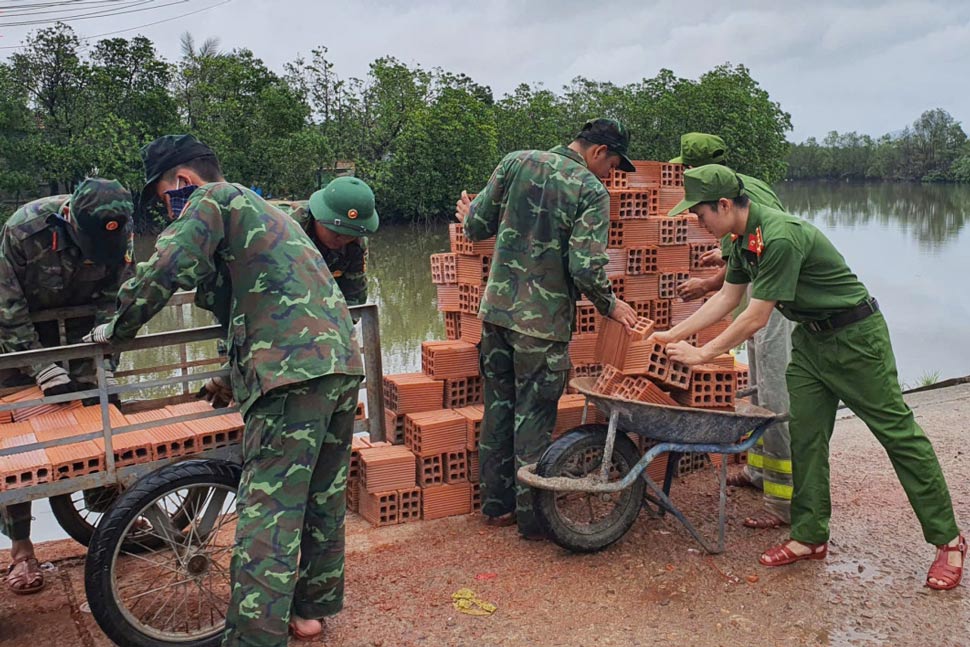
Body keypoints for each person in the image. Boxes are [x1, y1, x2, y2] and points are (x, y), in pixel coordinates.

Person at [84, 134, 365, 644]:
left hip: (290, 373)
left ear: (182, 182)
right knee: (322, 496)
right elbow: (237, 291)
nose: (165, 210)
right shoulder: (267, 209)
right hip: (340, 363)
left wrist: (114, 331)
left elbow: (165, 269)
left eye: (161, 197)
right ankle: (309, 612)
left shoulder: (210, 200)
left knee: (269, 511)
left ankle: (255, 638)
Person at [652, 164, 964, 590]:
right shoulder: (743, 241)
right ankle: (810, 536)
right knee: (807, 436)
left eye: (701, 214)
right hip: (812, 345)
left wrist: (704, 352)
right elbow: (728, 296)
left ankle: (948, 539)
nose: (699, 223)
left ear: (724, 205)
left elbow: (756, 317)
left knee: (898, 435)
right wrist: (673, 333)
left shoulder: (779, 236)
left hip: (856, 341)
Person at [455, 118, 639, 540]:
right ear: (598, 152)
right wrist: (611, 305)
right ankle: (531, 519)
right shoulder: (590, 191)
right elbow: (585, 266)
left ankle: (496, 507)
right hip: (542, 325)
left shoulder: (515, 162)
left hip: (497, 315)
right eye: (612, 163)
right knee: (534, 418)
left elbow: (476, 226)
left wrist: (468, 213)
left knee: (498, 408)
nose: (610, 173)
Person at [0, 178, 134, 595]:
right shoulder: (25, 230)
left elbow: (114, 301)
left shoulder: (119, 232)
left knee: (101, 419)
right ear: (71, 219)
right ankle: (22, 547)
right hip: (16, 340)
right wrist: (38, 365)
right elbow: (6, 305)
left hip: (81, 336)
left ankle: (109, 510)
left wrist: (105, 360)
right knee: (17, 446)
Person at [670, 132, 794, 530]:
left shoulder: (752, 202)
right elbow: (735, 277)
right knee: (758, 388)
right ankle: (760, 474)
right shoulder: (740, 193)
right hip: (760, 292)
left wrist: (702, 351)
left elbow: (759, 262)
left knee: (775, 396)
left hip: (777, 298)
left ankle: (786, 502)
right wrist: (672, 336)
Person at [271, 176, 379, 308]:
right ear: (318, 218)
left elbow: (353, 297)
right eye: (336, 232)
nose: (342, 240)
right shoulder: (281, 226)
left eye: (349, 235)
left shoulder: (357, 244)